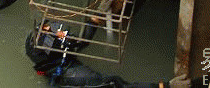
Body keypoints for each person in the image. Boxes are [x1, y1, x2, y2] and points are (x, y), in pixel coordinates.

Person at [26, 20, 194, 88]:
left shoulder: (39, 53)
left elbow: (77, 42)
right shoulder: (82, 76)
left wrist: (94, 19)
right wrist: (166, 86)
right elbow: (121, 86)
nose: (62, 31)